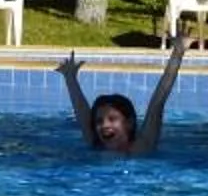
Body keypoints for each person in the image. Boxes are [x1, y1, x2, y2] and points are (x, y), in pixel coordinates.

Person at [59, 36, 188, 156]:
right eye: (99, 121)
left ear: (129, 123)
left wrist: (178, 53)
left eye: (112, 119)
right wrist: (70, 78)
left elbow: (157, 104)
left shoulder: (141, 148)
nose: (105, 125)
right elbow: (82, 114)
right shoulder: (96, 145)